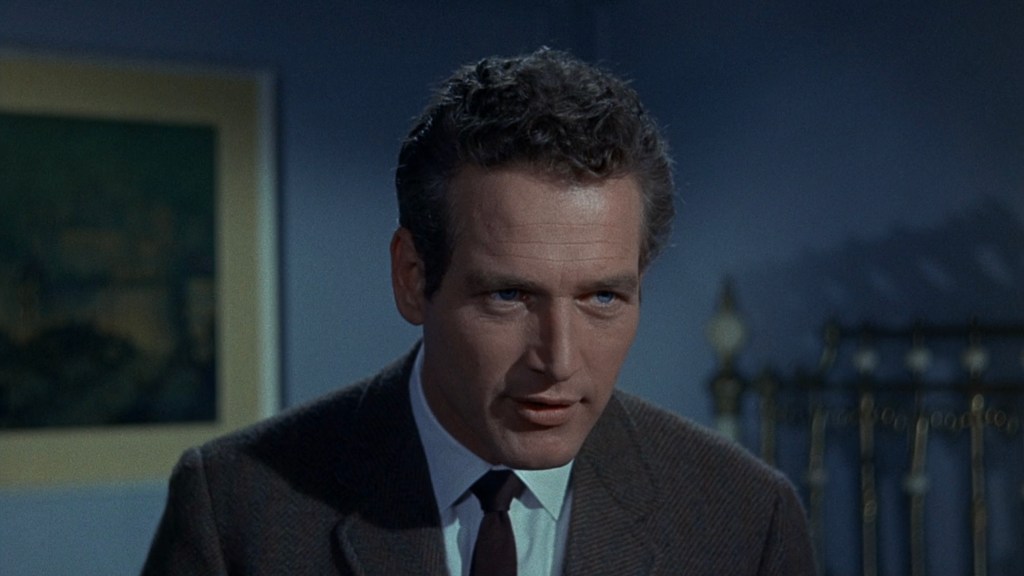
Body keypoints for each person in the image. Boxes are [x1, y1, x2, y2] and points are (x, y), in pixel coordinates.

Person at [142, 48, 815, 575]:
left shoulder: (744, 518)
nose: (558, 359)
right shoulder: (235, 510)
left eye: (602, 297)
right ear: (412, 278)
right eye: (510, 296)